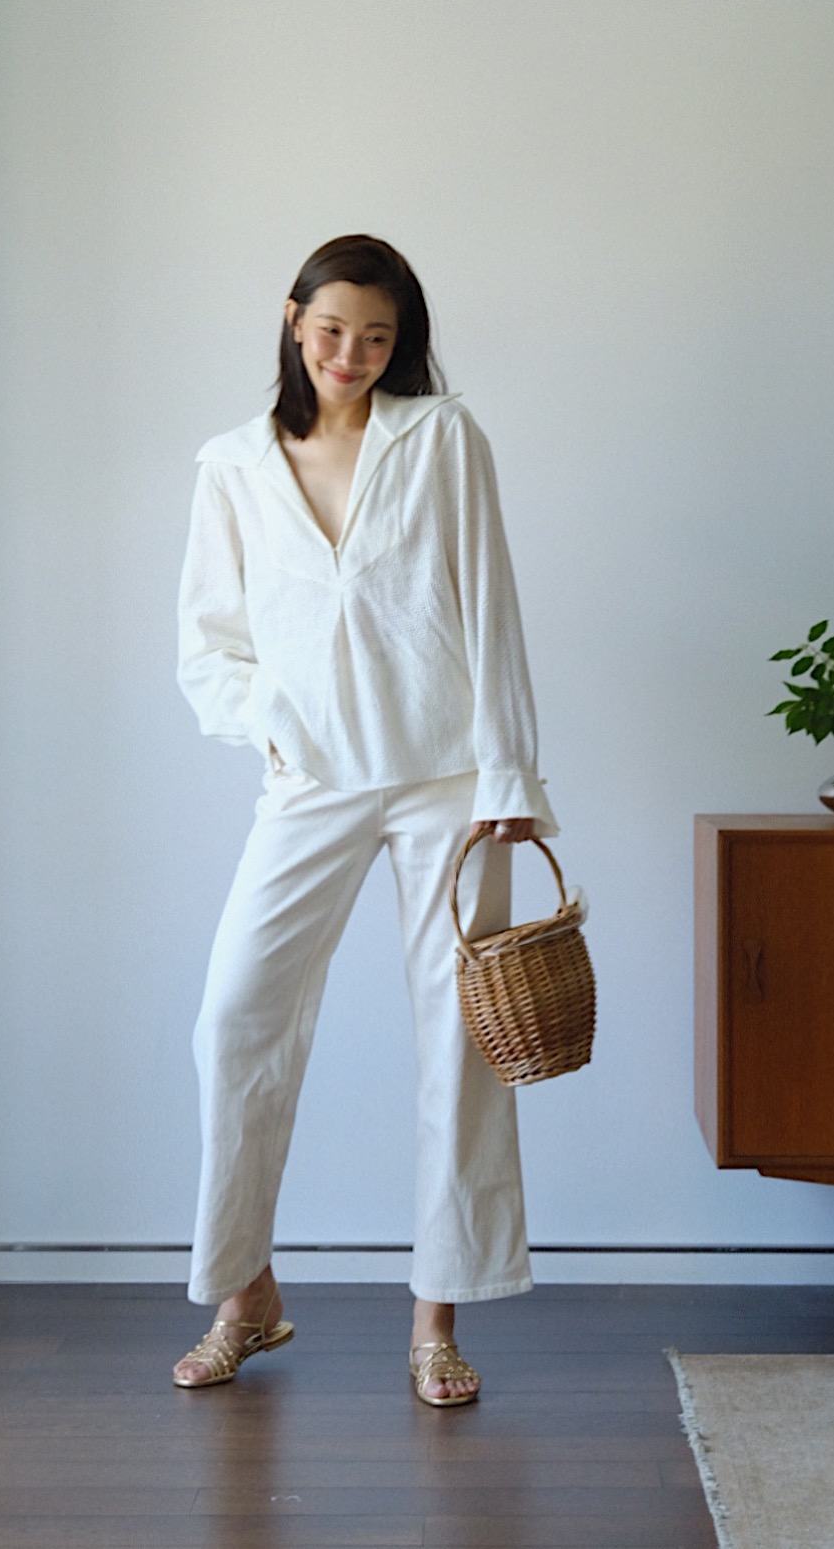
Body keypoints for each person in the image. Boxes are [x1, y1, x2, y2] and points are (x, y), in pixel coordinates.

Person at [173, 234, 557, 1406]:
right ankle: (246, 1294)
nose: (351, 354)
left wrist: (509, 780)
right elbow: (207, 645)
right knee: (235, 1017)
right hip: (313, 782)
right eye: (333, 329)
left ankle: (435, 1321)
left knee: (458, 1040)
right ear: (292, 319)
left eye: (377, 337)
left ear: (402, 343)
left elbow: (490, 608)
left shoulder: (440, 438)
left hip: (448, 780)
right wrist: (275, 727)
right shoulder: (233, 464)